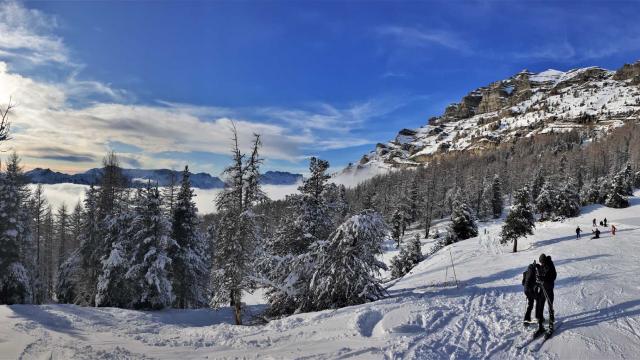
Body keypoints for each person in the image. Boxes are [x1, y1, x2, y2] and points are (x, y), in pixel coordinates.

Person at [535, 254, 557, 336]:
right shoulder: (542, 265)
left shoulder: (550, 265)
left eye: (542, 262)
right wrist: (537, 267)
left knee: (550, 306)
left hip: (548, 289)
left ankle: (551, 326)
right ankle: (541, 327)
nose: (541, 264)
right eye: (540, 262)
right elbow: (541, 270)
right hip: (542, 288)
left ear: (545, 261)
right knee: (540, 306)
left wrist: (544, 279)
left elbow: (553, 276)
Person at [521, 260, 538, 326]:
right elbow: (534, 282)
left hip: (526, 290)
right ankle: (538, 317)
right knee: (538, 301)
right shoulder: (533, 272)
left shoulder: (526, 272)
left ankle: (526, 320)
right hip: (530, 290)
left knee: (530, 304)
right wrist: (536, 284)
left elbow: (523, 283)